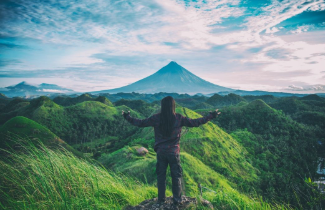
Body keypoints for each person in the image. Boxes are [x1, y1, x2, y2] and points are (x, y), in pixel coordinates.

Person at [122, 96, 220, 206]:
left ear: (162, 106)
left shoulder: (156, 118)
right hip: (173, 153)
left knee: (161, 177)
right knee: (176, 176)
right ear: (173, 106)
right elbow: (196, 122)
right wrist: (211, 116)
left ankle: (161, 200)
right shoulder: (179, 118)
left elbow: (140, 123)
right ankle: (177, 201)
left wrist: (127, 117)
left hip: (161, 152)